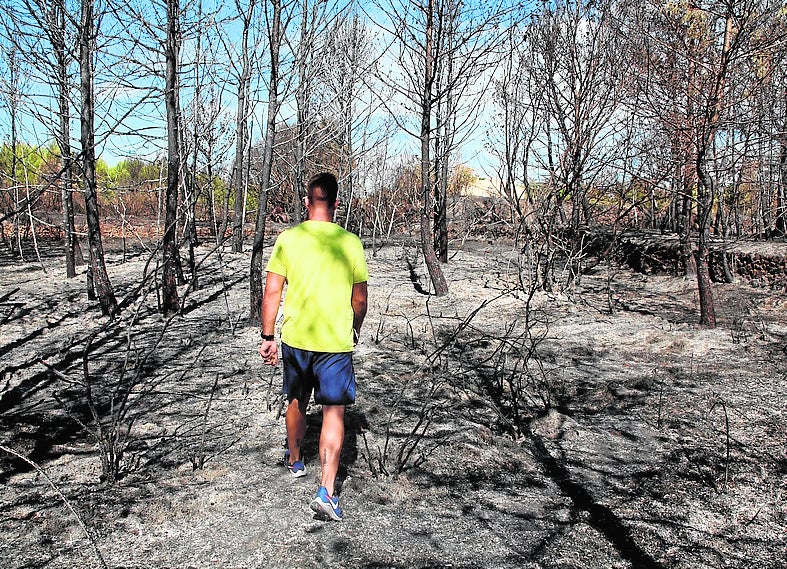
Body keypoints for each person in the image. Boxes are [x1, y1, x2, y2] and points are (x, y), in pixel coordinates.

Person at [258, 172, 368, 522]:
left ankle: (294, 459)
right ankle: (326, 491)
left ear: (307, 203)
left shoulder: (288, 239)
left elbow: (272, 290)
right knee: (333, 411)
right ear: (336, 204)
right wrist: (355, 326)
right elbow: (360, 299)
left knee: (295, 398)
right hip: (334, 341)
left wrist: (267, 335)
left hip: (295, 338)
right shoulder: (350, 242)